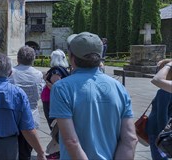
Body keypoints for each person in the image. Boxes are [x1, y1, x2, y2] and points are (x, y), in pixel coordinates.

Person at [51, 32, 137, 160]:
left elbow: (71, 141)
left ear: (71, 56)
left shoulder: (62, 87)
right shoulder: (118, 87)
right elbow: (130, 139)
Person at [9, 45, 45, 160]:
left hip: (13, 116)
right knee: (26, 152)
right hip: (31, 115)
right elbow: (39, 94)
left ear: (18, 59)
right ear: (33, 59)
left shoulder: (11, 73)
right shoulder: (38, 74)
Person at [40, 49, 70, 160]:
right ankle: (59, 150)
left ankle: (60, 151)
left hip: (51, 101)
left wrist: (46, 81)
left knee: (55, 127)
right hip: (51, 100)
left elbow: (57, 88)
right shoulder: (62, 70)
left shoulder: (55, 71)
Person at [147, 61, 172, 160]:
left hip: (157, 130)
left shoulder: (164, 91)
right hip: (163, 129)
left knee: (159, 156)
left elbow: (161, 114)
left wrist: (162, 136)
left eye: (160, 69)